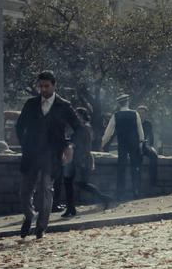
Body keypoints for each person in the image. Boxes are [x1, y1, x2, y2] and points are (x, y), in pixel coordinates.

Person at [14, 71, 82, 239]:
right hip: (31, 155)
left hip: (51, 155)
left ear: (54, 85)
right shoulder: (31, 104)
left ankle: (41, 227)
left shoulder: (64, 105)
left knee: (45, 189)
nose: (43, 89)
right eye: (41, 86)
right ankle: (29, 216)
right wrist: (25, 144)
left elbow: (79, 129)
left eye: (46, 86)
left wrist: (70, 145)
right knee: (25, 191)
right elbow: (19, 126)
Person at [61, 108, 114, 217]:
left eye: (77, 115)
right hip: (77, 159)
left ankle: (104, 198)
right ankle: (71, 209)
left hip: (81, 159)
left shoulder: (83, 128)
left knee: (81, 183)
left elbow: (76, 143)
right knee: (68, 183)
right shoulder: (82, 128)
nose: (75, 117)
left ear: (82, 116)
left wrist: (66, 142)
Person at [101, 94, 144, 200]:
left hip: (123, 144)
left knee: (121, 168)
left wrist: (102, 144)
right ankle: (136, 191)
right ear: (128, 102)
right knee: (135, 168)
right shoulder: (135, 114)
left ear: (119, 104)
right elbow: (140, 130)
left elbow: (108, 132)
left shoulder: (116, 115)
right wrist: (141, 142)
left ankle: (120, 193)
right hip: (134, 144)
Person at [136, 105, 159, 186]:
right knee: (138, 160)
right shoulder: (134, 123)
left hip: (144, 145)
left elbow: (151, 136)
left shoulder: (148, 124)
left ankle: (153, 182)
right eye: (139, 113)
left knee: (154, 155)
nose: (141, 115)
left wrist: (151, 146)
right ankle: (137, 185)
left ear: (146, 114)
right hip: (135, 146)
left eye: (143, 113)